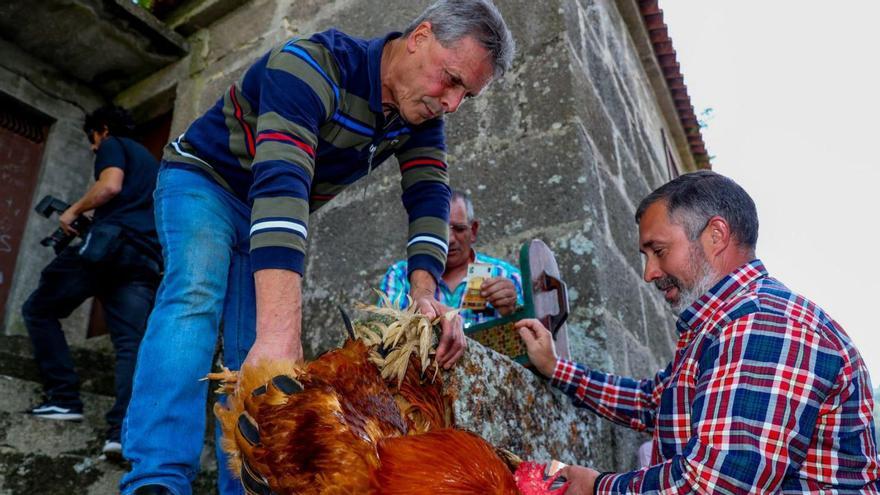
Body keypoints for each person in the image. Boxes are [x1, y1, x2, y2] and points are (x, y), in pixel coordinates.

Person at [120, 1, 515, 493]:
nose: (453, 104)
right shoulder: (312, 64)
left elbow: (429, 193)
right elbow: (282, 182)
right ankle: (157, 477)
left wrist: (424, 291)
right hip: (205, 180)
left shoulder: (419, 118)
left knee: (255, 354)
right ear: (420, 37)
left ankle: (244, 484)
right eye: (452, 80)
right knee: (196, 296)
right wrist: (282, 332)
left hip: (268, 210)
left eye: (467, 96)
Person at [516, 171, 879, 493]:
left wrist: (598, 487)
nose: (649, 273)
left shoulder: (760, 322)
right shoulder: (719, 325)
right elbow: (653, 403)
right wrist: (556, 367)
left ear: (716, 234)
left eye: (658, 251)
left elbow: (718, 483)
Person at [23, 105, 162, 459]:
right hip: (143, 258)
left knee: (38, 309)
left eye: (92, 139)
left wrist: (74, 211)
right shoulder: (154, 165)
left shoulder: (114, 144)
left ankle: (63, 398)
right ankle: (121, 433)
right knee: (131, 344)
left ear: (102, 129)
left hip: (109, 246)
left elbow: (110, 186)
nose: (92, 148)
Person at [380, 189, 523, 327]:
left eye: (459, 229)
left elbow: (537, 339)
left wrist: (513, 311)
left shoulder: (506, 275)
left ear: (473, 231)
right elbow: (384, 336)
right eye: (440, 231)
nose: (450, 239)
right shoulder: (400, 276)